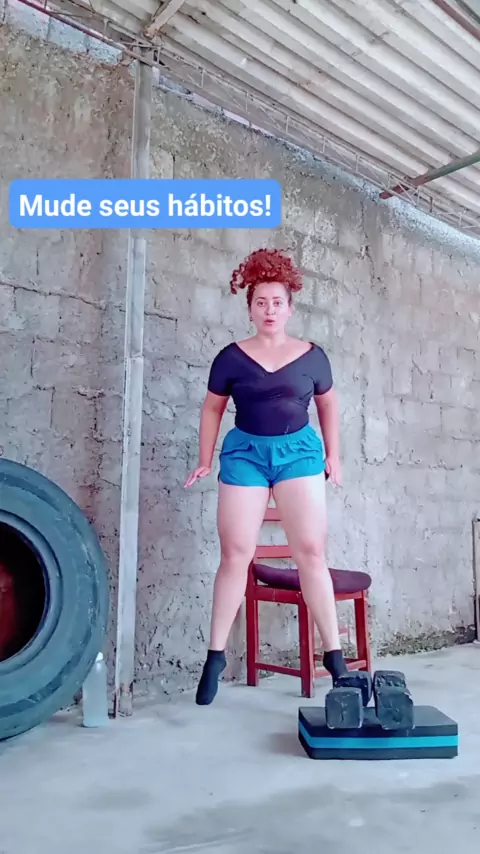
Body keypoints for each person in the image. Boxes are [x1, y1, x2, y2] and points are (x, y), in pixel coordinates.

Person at [185, 247, 347, 706]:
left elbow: (328, 404)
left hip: (299, 453)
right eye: (261, 302)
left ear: (290, 308)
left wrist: (334, 455)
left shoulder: (313, 357)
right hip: (246, 454)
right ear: (250, 309)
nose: (269, 310)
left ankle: (334, 657)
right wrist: (205, 457)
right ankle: (215, 657)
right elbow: (213, 408)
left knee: (310, 551)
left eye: (277, 302)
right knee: (235, 553)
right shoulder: (231, 358)